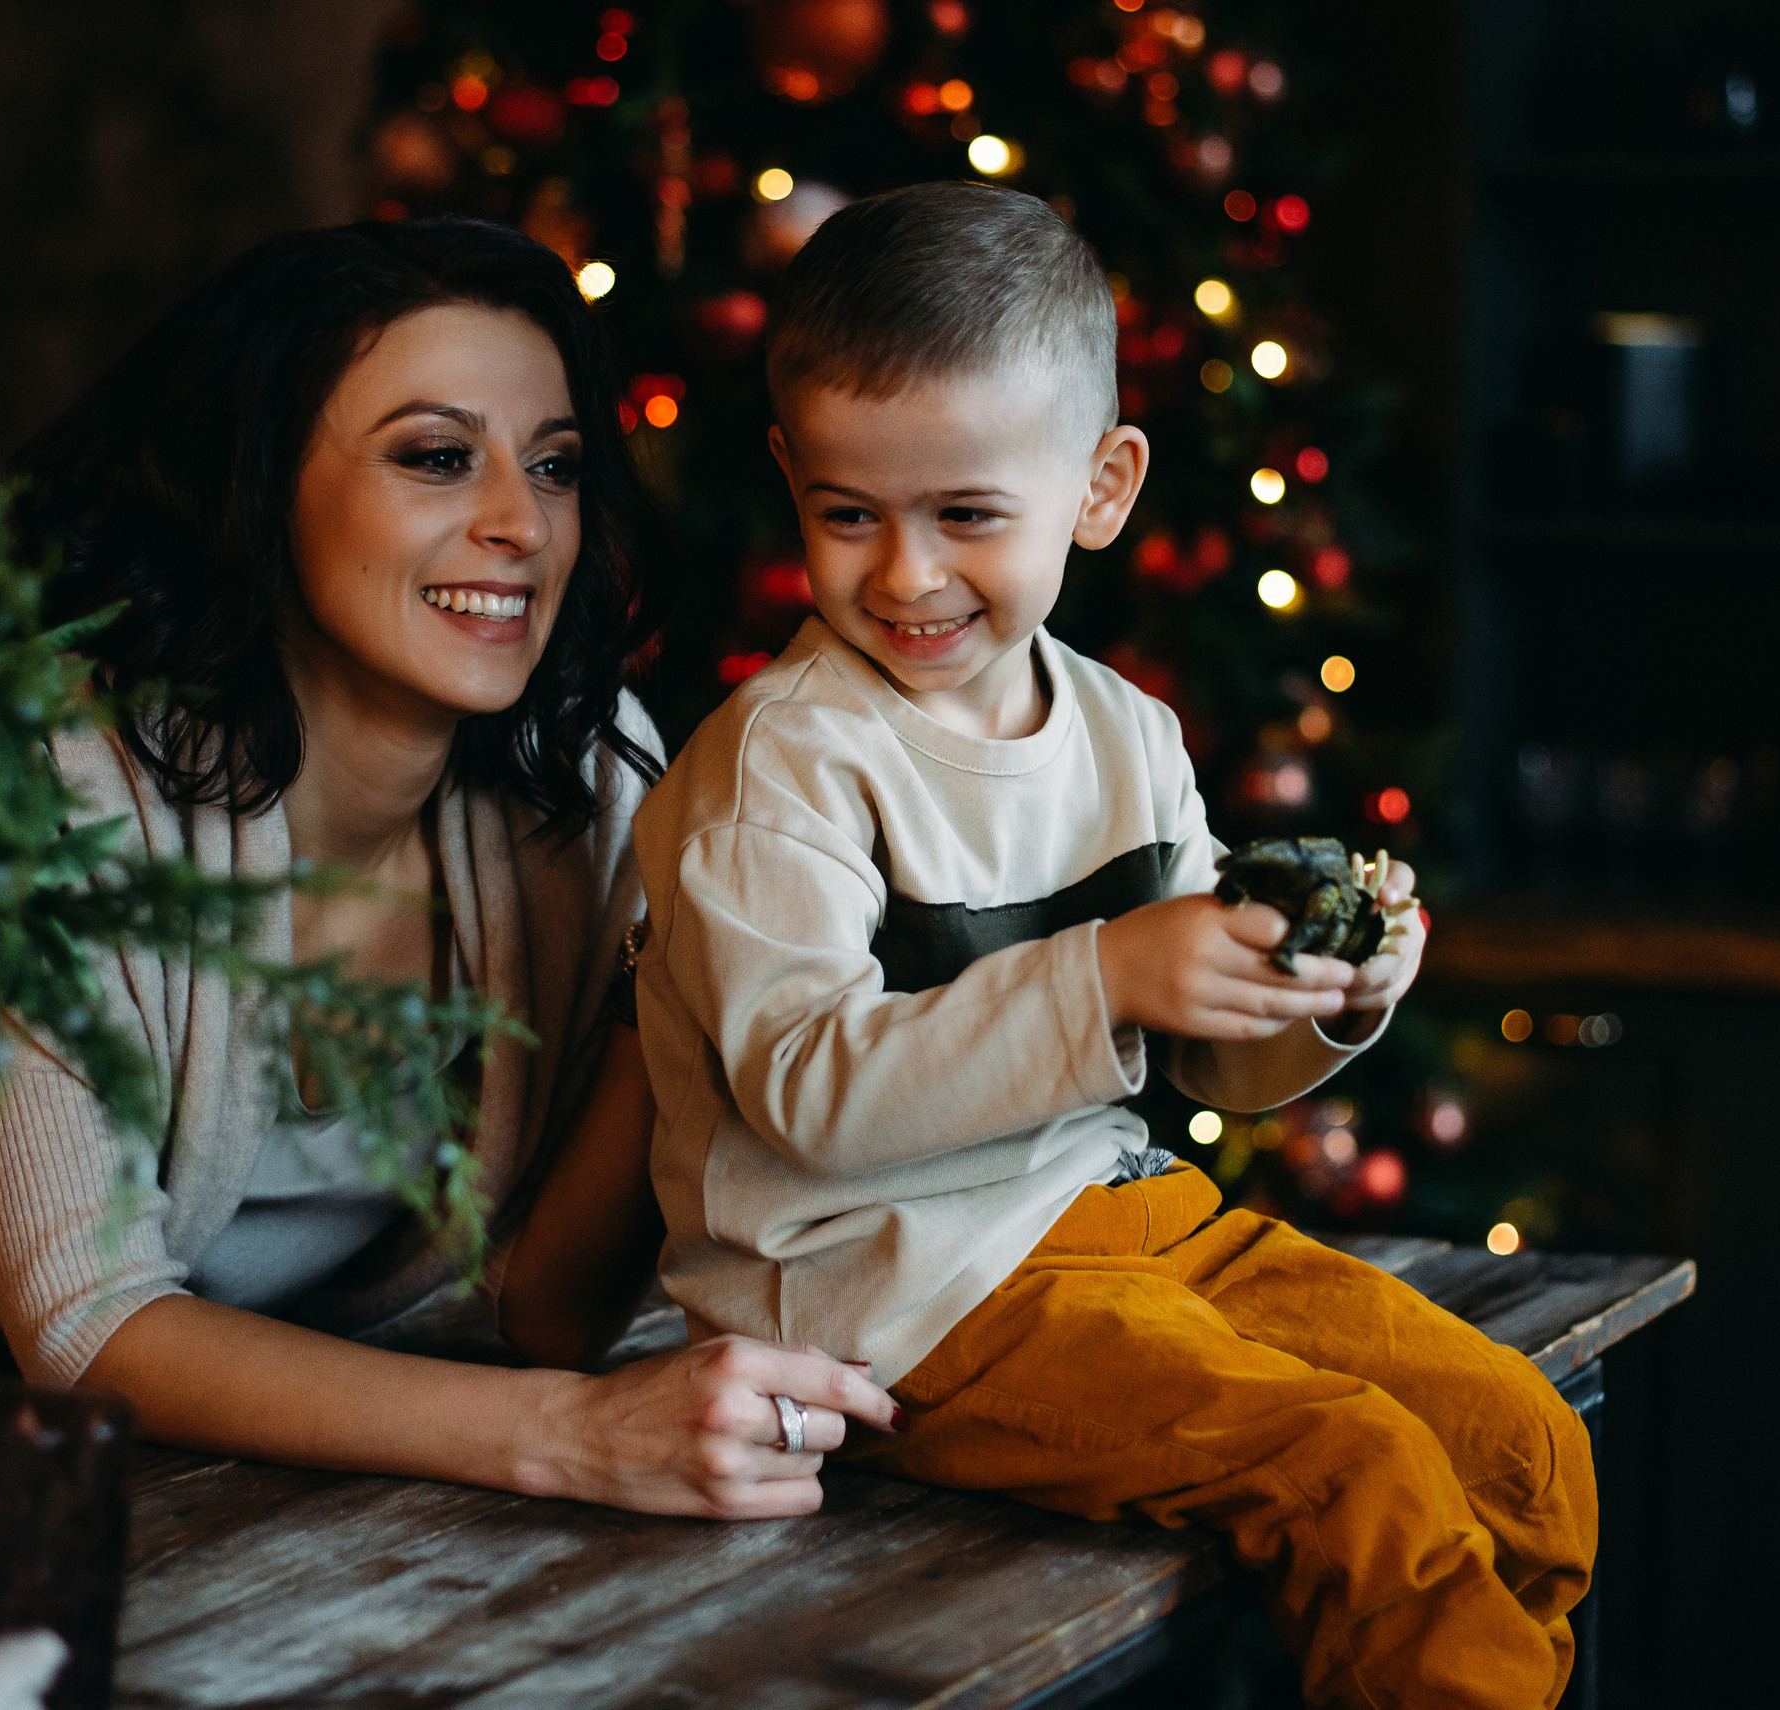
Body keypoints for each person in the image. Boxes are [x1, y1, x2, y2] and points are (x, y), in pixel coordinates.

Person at [630, 182, 1594, 1709]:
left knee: (1518, 1436)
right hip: (897, 1293)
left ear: (1101, 483)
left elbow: (1212, 1050)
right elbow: (804, 1091)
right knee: (1352, 1466)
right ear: (789, 480)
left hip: (1126, 1221)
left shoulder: (1127, 732)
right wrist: (1104, 978)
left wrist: (1324, 999)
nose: (905, 574)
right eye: (848, 514)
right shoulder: (782, 770)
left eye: (965, 514)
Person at [0, 216, 895, 1518]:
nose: (522, 523)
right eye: (440, 458)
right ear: (260, 482)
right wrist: (572, 1435)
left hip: (274, 1473)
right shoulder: (55, 791)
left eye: (555, 467)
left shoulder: (594, 775)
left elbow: (541, 1307)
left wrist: (677, 951)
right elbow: (87, 1323)